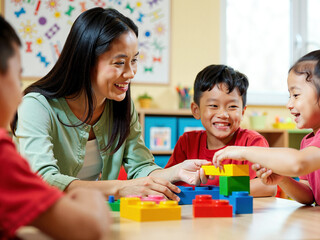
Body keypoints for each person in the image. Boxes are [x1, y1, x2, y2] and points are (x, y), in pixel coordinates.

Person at [11, 7, 209, 201]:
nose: (131, 73)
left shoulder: (121, 106)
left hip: (93, 218)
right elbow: (44, 180)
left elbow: (141, 167)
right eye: (119, 63)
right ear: (86, 61)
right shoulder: (36, 106)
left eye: (134, 60)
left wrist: (177, 171)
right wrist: (120, 188)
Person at [212, 40, 320, 214]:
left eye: (295, 95)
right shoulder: (309, 142)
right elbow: (309, 196)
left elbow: (298, 163)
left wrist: (243, 151)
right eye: (289, 95)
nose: (289, 104)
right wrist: (282, 179)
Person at [0, 15, 111, 240]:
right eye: (18, 77)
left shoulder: (121, 106)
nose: (20, 99)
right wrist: (91, 194)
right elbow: (87, 228)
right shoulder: (3, 155)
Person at [165, 64, 277, 197]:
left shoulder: (252, 143)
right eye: (213, 105)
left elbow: (268, 187)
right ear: (196, 110)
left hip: (238, 216)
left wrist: (219, 192)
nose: (223, 114)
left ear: (242, 112)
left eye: (232, 106)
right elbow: (168, 180)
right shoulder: (187, 142)